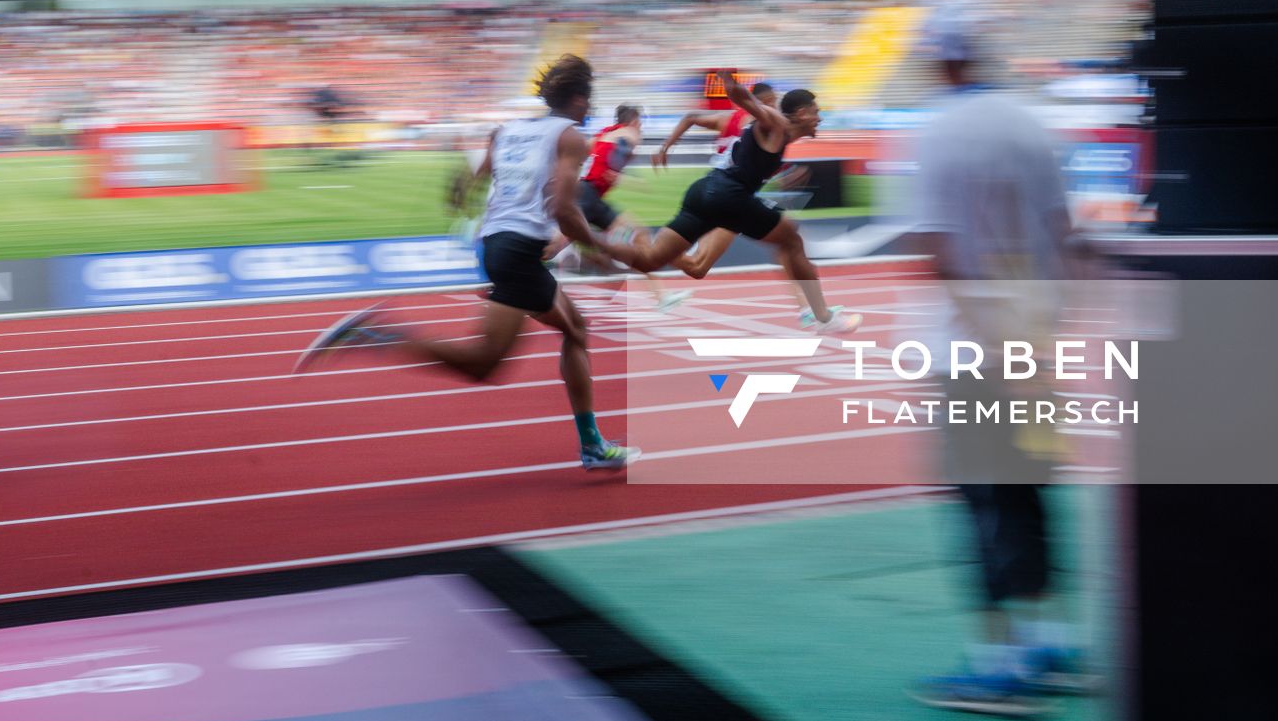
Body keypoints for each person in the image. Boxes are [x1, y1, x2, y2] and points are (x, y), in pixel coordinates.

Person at [299, 55, 638, 471]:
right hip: (516, 252)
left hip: (500, 245)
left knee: (575, 328)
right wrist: (598, 249)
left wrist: (461, 194)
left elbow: (470, 182)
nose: (590, 108)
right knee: (483, 364)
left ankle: (592, 444)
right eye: (590, 100)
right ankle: (372, 336)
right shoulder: (570, 138)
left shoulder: (508, 130)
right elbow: (565, 210)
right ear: (580, 99)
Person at [902, 3, 1095, 718]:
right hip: (1034, 342)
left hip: (971, 352)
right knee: (1031, 493)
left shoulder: (934, 133)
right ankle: (1051, 643)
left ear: (937, 60)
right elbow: (1066, 236)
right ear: (977, 55)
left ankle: (999, 662)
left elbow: (941, 254)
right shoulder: (1030, 124)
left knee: (982, 501)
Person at [606, 71, 861, 335]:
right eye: (816, 112)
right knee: (792, 238)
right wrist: (730, 83)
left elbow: (753, 153)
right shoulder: (777, 123)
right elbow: (747, 101)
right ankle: (823, 317)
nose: (820, 118)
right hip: (729, 197)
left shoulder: (778, 133)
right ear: (802, 113)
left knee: (649, 261)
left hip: (703, 192)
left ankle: (605, 243)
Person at [649, 81, 808, 283]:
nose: (776, 106)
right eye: (773, 101)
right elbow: (755, 159)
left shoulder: (728, 119)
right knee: (788, 241)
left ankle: (654, 249)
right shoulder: (762, 125)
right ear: (765, 101)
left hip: (714, 189)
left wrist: (665, 147)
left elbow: (691, 117)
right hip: (732, 198)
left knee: (698, 268)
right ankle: (652, 248)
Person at [546, 104, 687, 312]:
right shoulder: (628, 134)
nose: (640, 130)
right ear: (634, 122)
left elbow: (586, 160)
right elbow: (611, 170)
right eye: (640, 124)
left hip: (591, 199)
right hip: (586, 199)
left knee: (640, 235)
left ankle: (662, 297)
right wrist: (634, 182)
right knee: (550, 248)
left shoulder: (603, 135)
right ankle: (511, 275)